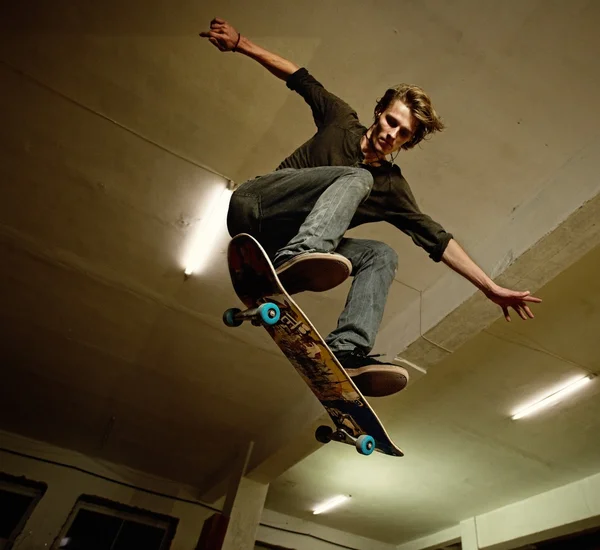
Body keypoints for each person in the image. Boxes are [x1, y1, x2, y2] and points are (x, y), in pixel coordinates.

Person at [200, 18, 542, 398]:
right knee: (358, 178)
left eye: (403, 133)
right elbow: (300, 78)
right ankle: (302, 255)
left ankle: (347, 351)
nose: (390, 135)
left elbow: (437, 239)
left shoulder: (392, 187)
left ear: (409, 141)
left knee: (381, 254)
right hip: (256, 205)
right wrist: (241, 43)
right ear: (379, 111)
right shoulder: (340, 120)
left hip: (277, 246)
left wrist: (490, 288)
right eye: (390, 121)